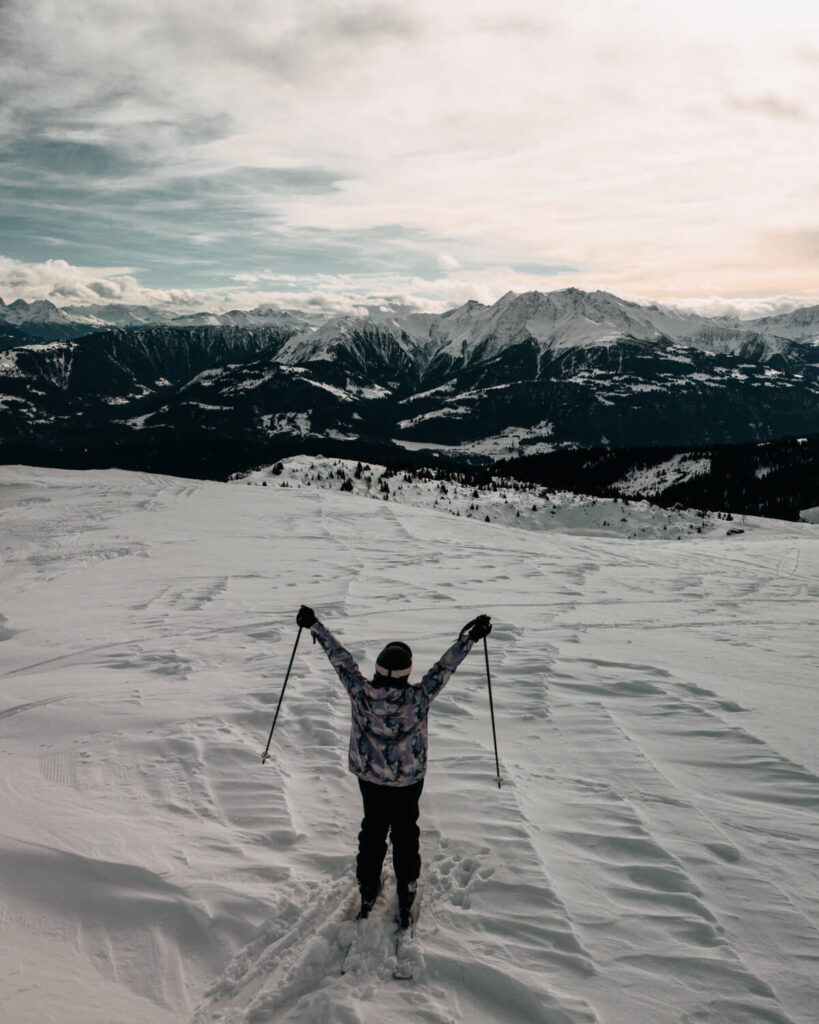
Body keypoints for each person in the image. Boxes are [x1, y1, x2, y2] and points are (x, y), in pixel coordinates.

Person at [295, 605, 492, 926]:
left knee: (372, 829)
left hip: (370, 778)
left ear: (379, 668)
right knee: (405, 832)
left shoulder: (361, 693)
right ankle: (407, 887)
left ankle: (368, 887)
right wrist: (470, 639)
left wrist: (315, 625)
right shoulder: (419, 697)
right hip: (408, 780)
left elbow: (339, 658)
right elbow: (445, 668)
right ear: (407, 672)